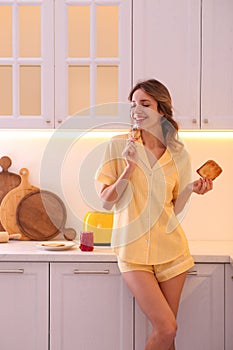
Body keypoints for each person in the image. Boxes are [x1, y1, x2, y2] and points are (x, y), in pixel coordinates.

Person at [95, 79, 213, 350]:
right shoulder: (118, 146)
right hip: (133, 252)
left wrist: (192, 190)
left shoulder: (178, 153)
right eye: (133, 104)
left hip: (172, 251)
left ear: (162, 110)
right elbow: (105, 201)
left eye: (145, 104)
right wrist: (128, 168)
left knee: (167, 335)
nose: (137, 109)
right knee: (167, 327)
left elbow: (175, 205)